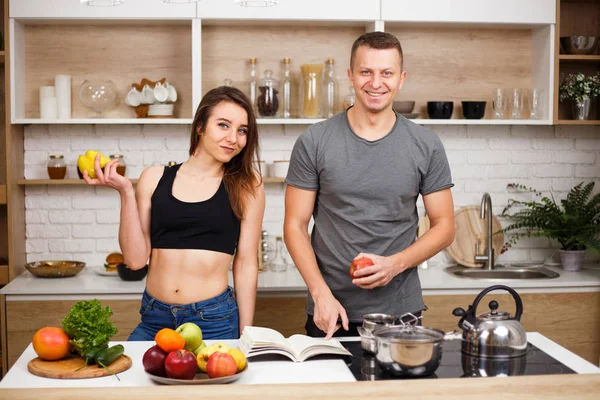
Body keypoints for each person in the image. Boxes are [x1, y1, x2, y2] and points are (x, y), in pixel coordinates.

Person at [284, 32, 455, 339]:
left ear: (401, 79)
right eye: (366, 72)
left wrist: (395, 264)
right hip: (330, 311)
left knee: (395, 389)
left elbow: (444, 226)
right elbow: (295, 225)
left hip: (400, 312)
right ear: (350, 76)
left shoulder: (426, 144)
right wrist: (320, 293)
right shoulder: (314, 140)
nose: (376, 83)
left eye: (386, 73)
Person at [83, 86, 265, 340]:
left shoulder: (247, 185)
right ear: (200, 126)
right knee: (129, 379)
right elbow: (135, 261)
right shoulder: (155, 177)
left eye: (242, 130)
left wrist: (246, 333)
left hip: (213, 320)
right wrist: (125, 191)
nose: (233, 138)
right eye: (223, 125)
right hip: (155, 318)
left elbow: (246, 263)